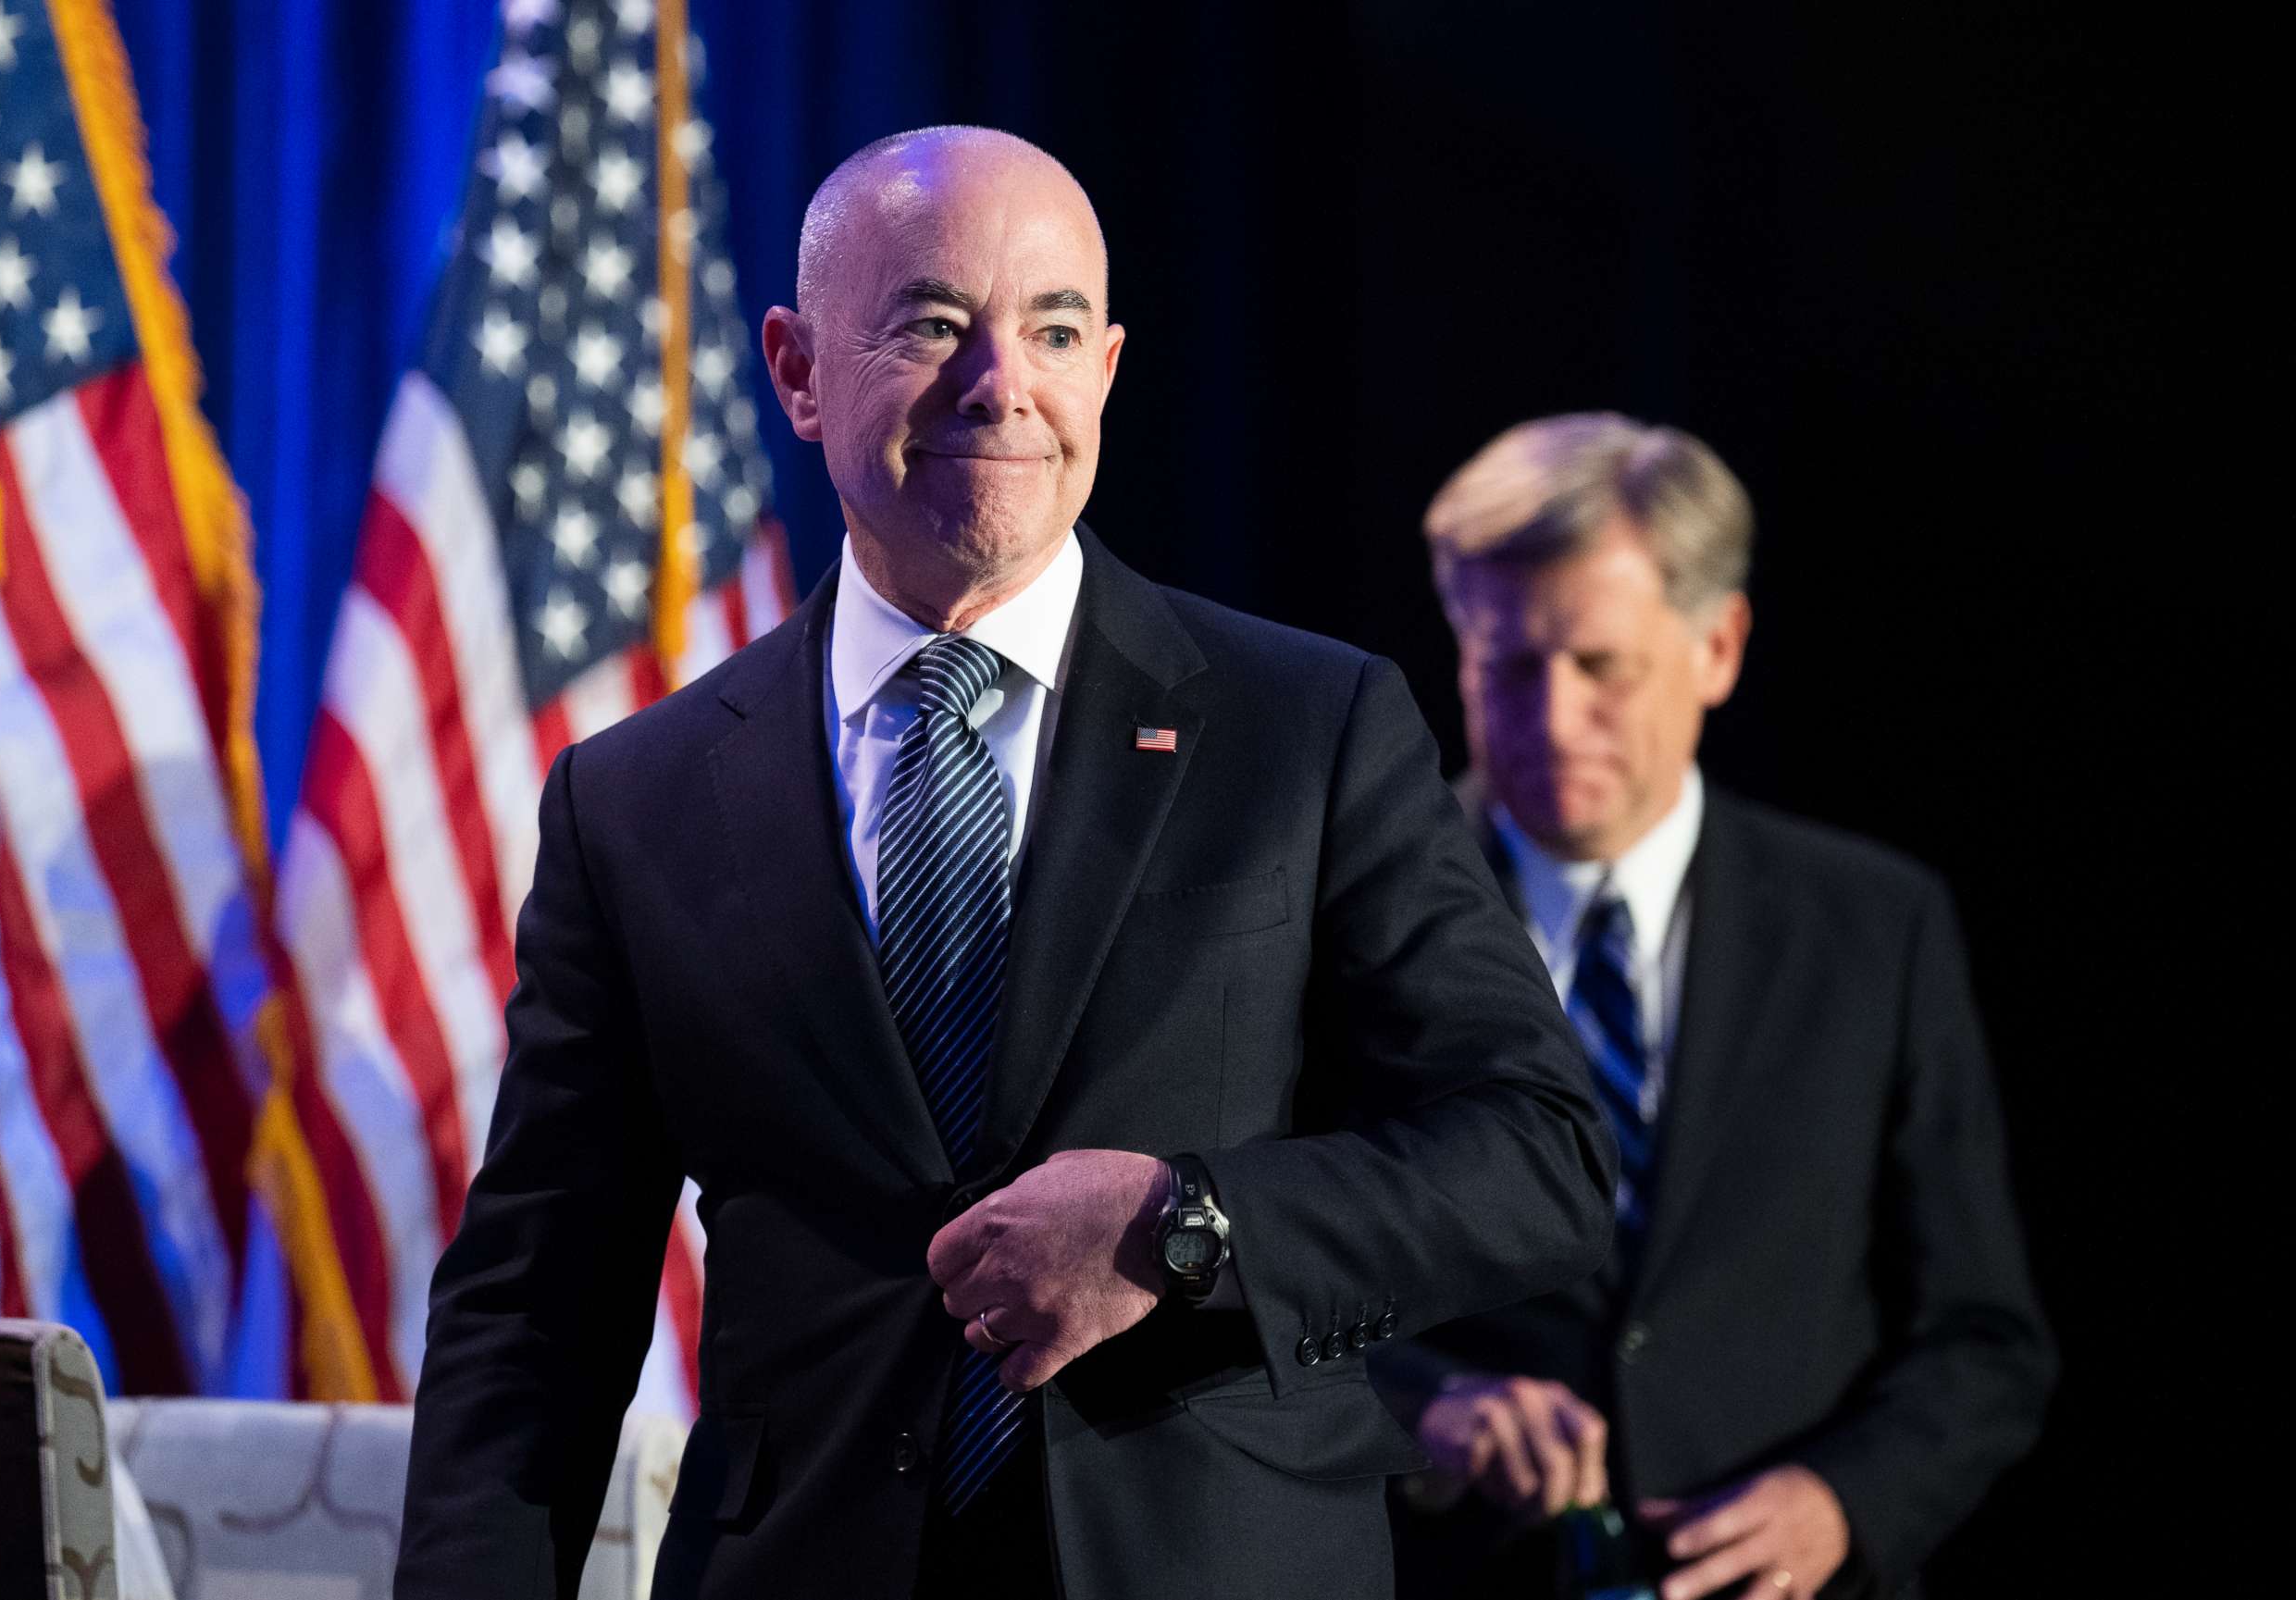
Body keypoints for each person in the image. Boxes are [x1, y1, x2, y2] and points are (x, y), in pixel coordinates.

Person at [392, 127, 1615, 1600]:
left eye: (1049, 331)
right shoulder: (633, 798)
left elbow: (1536, 1156)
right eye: (928, 325)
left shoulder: (1308, 725)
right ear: (794, 369)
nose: (1001, 384)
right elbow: (535, 1316)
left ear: (1105, 368)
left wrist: (1185, 1225)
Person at [1371, 414, 2054, 1600]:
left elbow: (1983, 1340)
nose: (1552, 719)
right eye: (1507, 667)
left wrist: (1844, 1501)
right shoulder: (1350, 916)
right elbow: (1256, 1297)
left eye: (1602, 666)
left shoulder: (1875, 928)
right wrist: (1432, 1410)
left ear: (1720, 646)